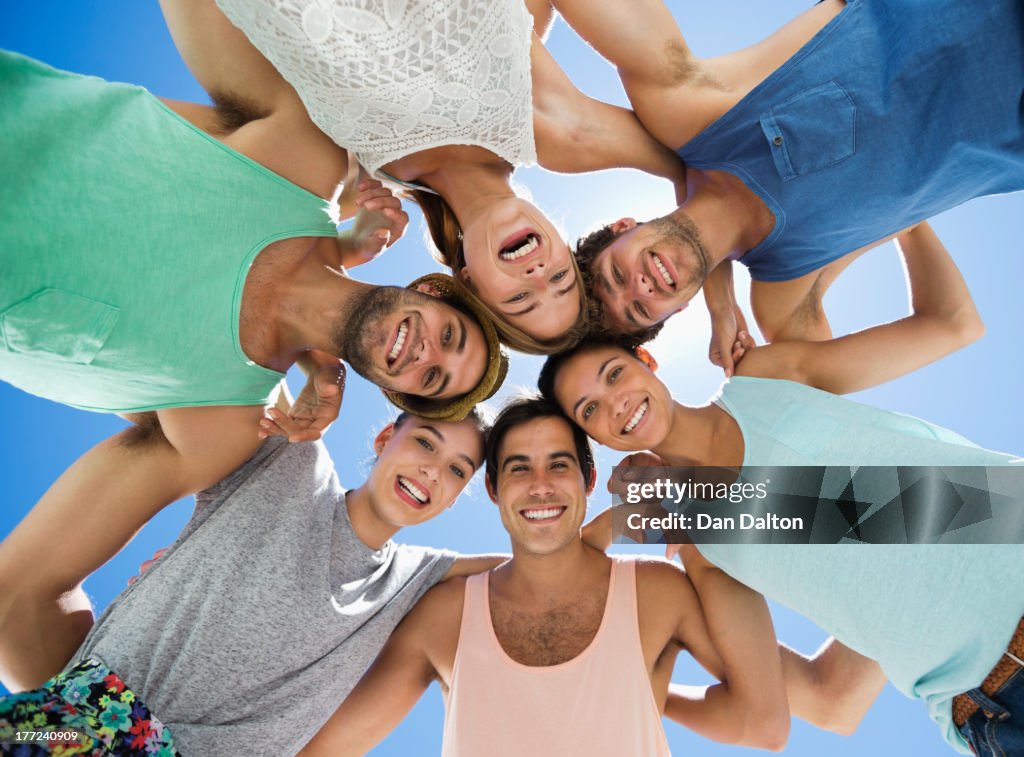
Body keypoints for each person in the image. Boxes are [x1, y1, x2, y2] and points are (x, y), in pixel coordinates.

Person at [0, 0, 508, 699]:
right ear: (431, 294)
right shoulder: (303, 156)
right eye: (449, 336)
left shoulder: (222, 427)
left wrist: (114, 731)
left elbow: (16, 602)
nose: (425, 351)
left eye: (433, 379)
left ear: (398, 394)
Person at [540, 223, 1024, 755]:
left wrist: (905, 213)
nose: (615, 405)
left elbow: (953, 324)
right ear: (594, 439)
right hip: (999, 702)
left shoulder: (765, 380)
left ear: (646, 361)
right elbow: (828, 702)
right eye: (590, 412)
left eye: (613, 375)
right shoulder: (699, 543)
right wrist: (643, 681)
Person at [297, 396, 798, 756]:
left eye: (558, 465)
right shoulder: (442, 612)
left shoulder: (657, 591)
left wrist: (686, 516)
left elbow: (766, 725)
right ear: (492, 489)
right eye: (518, 469)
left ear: (589, 480)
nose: (540, 486)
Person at [549, 0, 1024, 369]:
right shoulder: (786, 298)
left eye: (616, 275)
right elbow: (949, 325)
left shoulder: (688, 110)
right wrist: (903, 211)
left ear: (622, 226)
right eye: (639, 310)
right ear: (675, 312)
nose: (641, 285)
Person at [0, 406, 499, 756]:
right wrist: (318, 368)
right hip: (89, 722)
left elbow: (551, 568)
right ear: (385, 437)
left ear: (457, 497)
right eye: (425, 442)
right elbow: (180, 399)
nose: (432, 471)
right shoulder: (293, 458)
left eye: (456, 470)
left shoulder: (418, 575)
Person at [209, 0, 688, 352]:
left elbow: (250, 272)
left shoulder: (363, 178)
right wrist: (717, 294)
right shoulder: (558, 134)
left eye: (522, 298)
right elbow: (699, 168)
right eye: (561, 278)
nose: (539, 275)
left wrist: (347, 225)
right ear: (562, 242)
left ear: (470, 283)